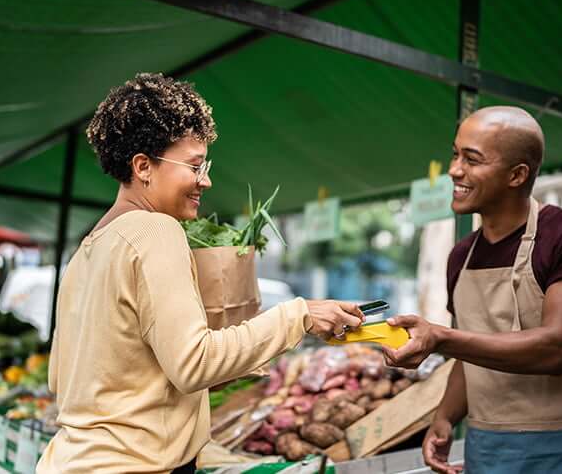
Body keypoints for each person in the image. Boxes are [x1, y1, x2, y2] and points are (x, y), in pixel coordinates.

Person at [36, 73, 363, 473]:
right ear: (143, 166)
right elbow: (193, 364)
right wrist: (300, 316)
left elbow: (64, 378)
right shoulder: (155, 231)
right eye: (195, 165)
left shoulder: (89, 249)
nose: (205, 180)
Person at [383, 106, 562, 473]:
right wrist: (446, 416)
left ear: (517, 175)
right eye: (455, 154)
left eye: (472, 159)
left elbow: (555, 348)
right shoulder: (461, 256)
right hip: (489, 450)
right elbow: (470, 353)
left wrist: (440, 338)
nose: (454, 170)